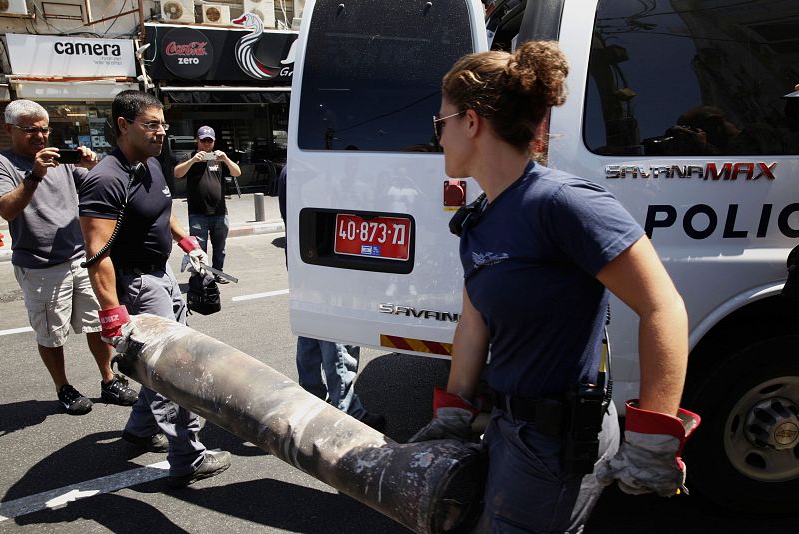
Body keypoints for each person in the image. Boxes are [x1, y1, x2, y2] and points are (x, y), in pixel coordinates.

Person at [409, 42, 699, 532]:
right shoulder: (480, 220)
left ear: (472, 121)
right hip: (508, 430)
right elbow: (474, 320)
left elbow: (663, 306)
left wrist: (654, 435)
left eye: (441, 123)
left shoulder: (563, 203)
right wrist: (455, 411)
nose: (438, 137)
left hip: (558, 442)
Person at [78, 90, 231, 488]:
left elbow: (164, 211)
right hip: (137, 285)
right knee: (175, 372)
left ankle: (141, 429)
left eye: (163, 124)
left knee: (159, 366)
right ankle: (188, 458)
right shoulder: (106, 178)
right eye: (152, 124)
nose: (162, 131)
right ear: (124, 126)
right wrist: (112, 314)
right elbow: (97, 253)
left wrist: (189, 244)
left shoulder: (149, 164)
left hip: (161, 277)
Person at [0, 99, 138, 415]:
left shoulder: (62, 161)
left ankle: (108, 379)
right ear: (9, 129)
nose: (40, 136)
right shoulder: (3, 163)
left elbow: (97, 190)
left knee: (96, 324)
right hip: (40, 265)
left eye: (44, 129)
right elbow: (7, 208)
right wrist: (34, 174)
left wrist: (93, 167)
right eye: (30, 130)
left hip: (80, 258)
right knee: (51, 332)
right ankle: (63, 385)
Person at [277, 164, 385, 431]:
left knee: (311, 331)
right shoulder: (327, 172)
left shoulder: (292, 168)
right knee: (338, 336)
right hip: (331, 264)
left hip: (304, 261)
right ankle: (348, 411)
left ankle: (312, 397)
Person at [173, 126, 241, 284]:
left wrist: (225, 159)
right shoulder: (189, 156)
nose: (206, 144)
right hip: (198, 212)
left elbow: (237, 172)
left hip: (219, 211)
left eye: (209, 141)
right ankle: (201, 276)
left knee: (220, 248)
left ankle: (217, 273)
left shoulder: (218, 158)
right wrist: (193, 160)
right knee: (198, 249)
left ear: (214, 141)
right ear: (197, 140)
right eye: (203, 140)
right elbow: (177, 173)